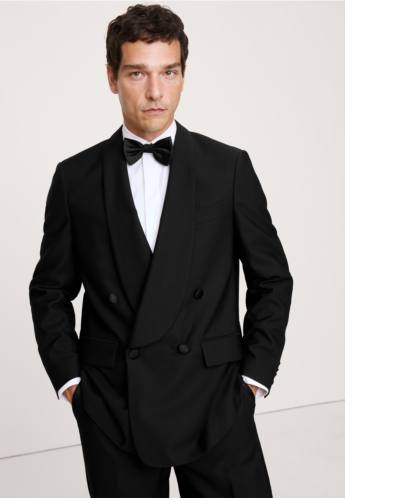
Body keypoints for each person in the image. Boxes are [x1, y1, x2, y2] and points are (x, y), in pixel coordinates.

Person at [29, 4, 293, 497]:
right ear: (112, 78)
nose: (155, 91)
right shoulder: (75, 178)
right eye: (137, 73)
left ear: (183, 76)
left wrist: (254, 377)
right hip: (115, 405)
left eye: (168, 72)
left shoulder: (228, 168)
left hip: (216, 400)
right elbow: (49, 289)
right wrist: (71, 383)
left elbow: (272, 278)